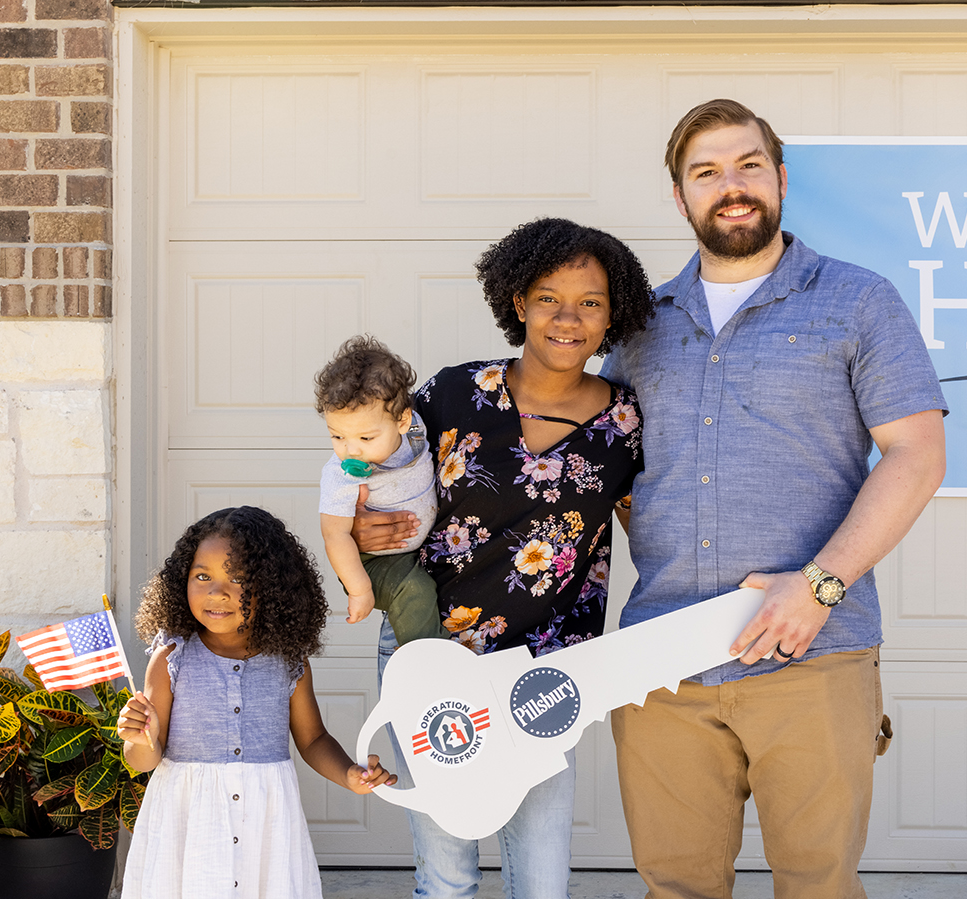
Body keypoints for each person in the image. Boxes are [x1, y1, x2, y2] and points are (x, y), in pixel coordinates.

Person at [598, 99, 948, 899]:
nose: (732, 186)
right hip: (665, 665)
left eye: (749, 165)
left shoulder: (860, 301)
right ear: (680, 196)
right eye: (707, 172)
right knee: (675, 889)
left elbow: (917, 455)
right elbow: (602, 471)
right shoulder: (640, 325)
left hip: (813, 652)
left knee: (818, 886)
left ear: (782, 179)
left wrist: (819, 585)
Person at [353, 217, 655, 898]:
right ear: (518, 303)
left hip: (546, 673)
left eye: (591, 302)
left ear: (614, 315)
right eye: (548, 297)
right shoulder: (454, 393)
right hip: (430, 652)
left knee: (541, 880)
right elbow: (376, 492)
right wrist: (365, 533)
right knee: (448, 873)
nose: (568, 318)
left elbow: (651, 531)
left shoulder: (626, 422)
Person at [116, 505, 396, 899]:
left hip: (266, 821)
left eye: (238, 578)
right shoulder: (171, 657)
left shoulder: (289, 659)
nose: (217, 591)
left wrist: (349, 774)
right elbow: (143, 759)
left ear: (272, 588)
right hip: (190, 824)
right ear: (181, 580)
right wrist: (141, 737)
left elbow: (313, 740)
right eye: (202, 576)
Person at [315, 334, 445, 645]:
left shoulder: (415, 430)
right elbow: (334, 534)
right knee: (414, 590)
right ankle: (430, 657)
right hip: (374, 563)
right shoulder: (342, 475)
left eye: (365, 438)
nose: (350, 450)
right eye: (338, 437)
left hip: (415, 554)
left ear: (403, 420)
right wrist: (359, 588)